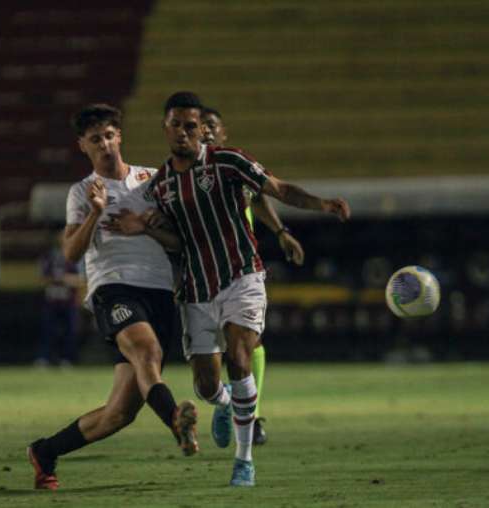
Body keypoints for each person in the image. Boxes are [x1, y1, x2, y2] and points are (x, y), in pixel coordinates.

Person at [109, 92, 350, 487]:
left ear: (202, 129)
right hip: (196, 290)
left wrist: (321, 205)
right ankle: (222, 404)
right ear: (165, 129)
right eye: (177, 125)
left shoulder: (228, 161)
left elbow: (275, 189)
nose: (185, 132)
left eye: (192, 125)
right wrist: (147, 227)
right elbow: (176, 242)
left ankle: (244, 460)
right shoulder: (161, 187)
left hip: (242, 277)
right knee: (206, 384)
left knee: (240, 357)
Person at [26, 104, 198, 491]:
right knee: (147, 353)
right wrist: (95, 213)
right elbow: (70, 253)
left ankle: (44, 452)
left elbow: (180, 242)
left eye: (108, 135)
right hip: (114, 289)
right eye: (94, 140)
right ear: (82, 147)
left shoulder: (153, 181)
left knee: (119, 414)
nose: (104, 144)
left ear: (119, 136)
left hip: (158, 292)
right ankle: (176, 420)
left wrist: (147, 227)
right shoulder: (82, 192)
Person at [201, 106, 306, 446]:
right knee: (212, 357)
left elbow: (259, 195)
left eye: (211, 126)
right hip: (201, 273)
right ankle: (225, 401)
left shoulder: (234, 166)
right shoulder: (181, 173)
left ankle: (252, 414)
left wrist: (280, 232)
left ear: (224, 132)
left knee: (247, 344)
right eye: (198, 126)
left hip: (241, 271)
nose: (205, 131)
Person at [36, 230, 83, 367]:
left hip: (69, 301)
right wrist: (53, 279)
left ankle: (67, 359)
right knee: (48, 330)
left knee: (70, 331)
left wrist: (65, 279)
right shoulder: (48, 256)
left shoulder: (77, 256)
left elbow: (82, 280)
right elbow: (41, 278)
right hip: (51, 300)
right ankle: (44, 358)